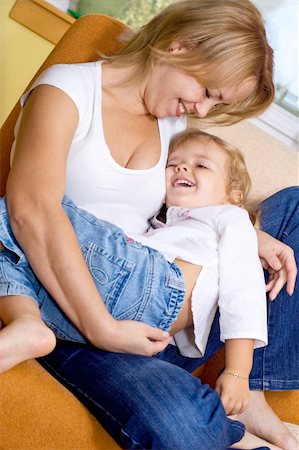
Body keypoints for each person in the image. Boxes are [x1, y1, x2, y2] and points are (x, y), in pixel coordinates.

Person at [1, 0, 298, 448]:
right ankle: (218, 419)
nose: (201, 110)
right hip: (85, 319)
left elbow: (167, 213)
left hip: (171, 320)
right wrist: (103, 327)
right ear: (178, 47)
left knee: (294, 208)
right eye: (208, 91)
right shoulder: (67, 91)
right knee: (181, 427)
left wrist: (242, 232)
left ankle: (252, 387)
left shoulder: (171, 121)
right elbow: (30, 209)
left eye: (215, 102)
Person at [0, 129, 270, 418]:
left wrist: (239, 372)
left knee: (27, 201)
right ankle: (27, 322)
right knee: (15, 251)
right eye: (173, 163)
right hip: (125, 314)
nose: (182, 167)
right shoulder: (157, 225)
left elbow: (243, 291)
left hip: (157, 288)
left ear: (233, 197)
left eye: (200, 165)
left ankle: (27, 320)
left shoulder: (230, 217)